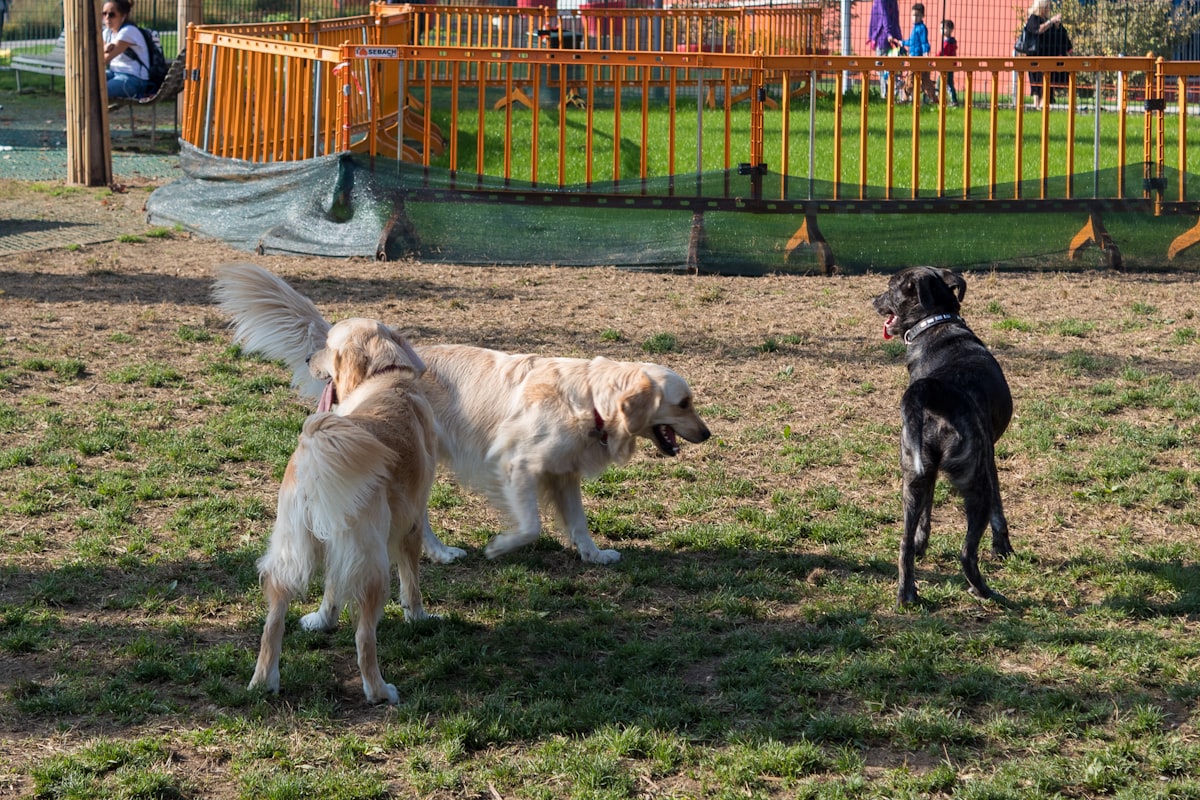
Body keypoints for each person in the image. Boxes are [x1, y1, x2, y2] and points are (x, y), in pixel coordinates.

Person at [1024, 0, 1072, 109]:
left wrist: (1057, 25)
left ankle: (1044, 103)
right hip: (1036, 56)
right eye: (1047, 6)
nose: (1049, 8)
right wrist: (1051, 22)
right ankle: (1037, 105)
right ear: (1042, 7)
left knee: (1049, 79)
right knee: (1036, 81)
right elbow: (1038, 30)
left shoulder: (1047, 20)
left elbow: (1058, 35)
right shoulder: (1033, 18)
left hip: (1049, 55)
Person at [102, 0, 150, 99]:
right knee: (87, 82)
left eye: (112, 14)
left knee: (98, 91)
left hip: (134, 78)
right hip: (114, 73)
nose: (107, 18)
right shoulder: (107, 33)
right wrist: (103, 49)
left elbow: (104, 60)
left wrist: (103, 50)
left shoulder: (128, 32)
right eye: (104, 14)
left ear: (123, 16)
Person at [890, 3, 936, 104]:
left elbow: (924, 42)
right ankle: (905, 99)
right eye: (913, 15)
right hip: (912, 58)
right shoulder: (914, 28)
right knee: (910, 79)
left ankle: (935, 99)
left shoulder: (922, 28)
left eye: (917, 15)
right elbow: (912, 42)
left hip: (919, 59)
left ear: (922, 16)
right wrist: (902, 42)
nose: (914, 18)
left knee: (924, 82)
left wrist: (925, 52)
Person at [867, 0, 903, 100]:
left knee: (881, 67)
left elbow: (884, 16)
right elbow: (894, 18)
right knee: (891, 66)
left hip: (884, 38)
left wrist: (887, 34)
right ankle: (894, 90)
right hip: (891, 37)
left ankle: (886, 94)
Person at [938, 19, 959, 107]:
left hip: (946, 65)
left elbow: (941, 52)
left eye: (944, 28)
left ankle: (942, 99)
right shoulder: (952, 42)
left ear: (950, 30)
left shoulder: (947, 42)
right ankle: (953, 99)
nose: (941, 30)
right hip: (950, 64)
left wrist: (935, 57)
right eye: (940, 28)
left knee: (941, 82)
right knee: (949, 82)